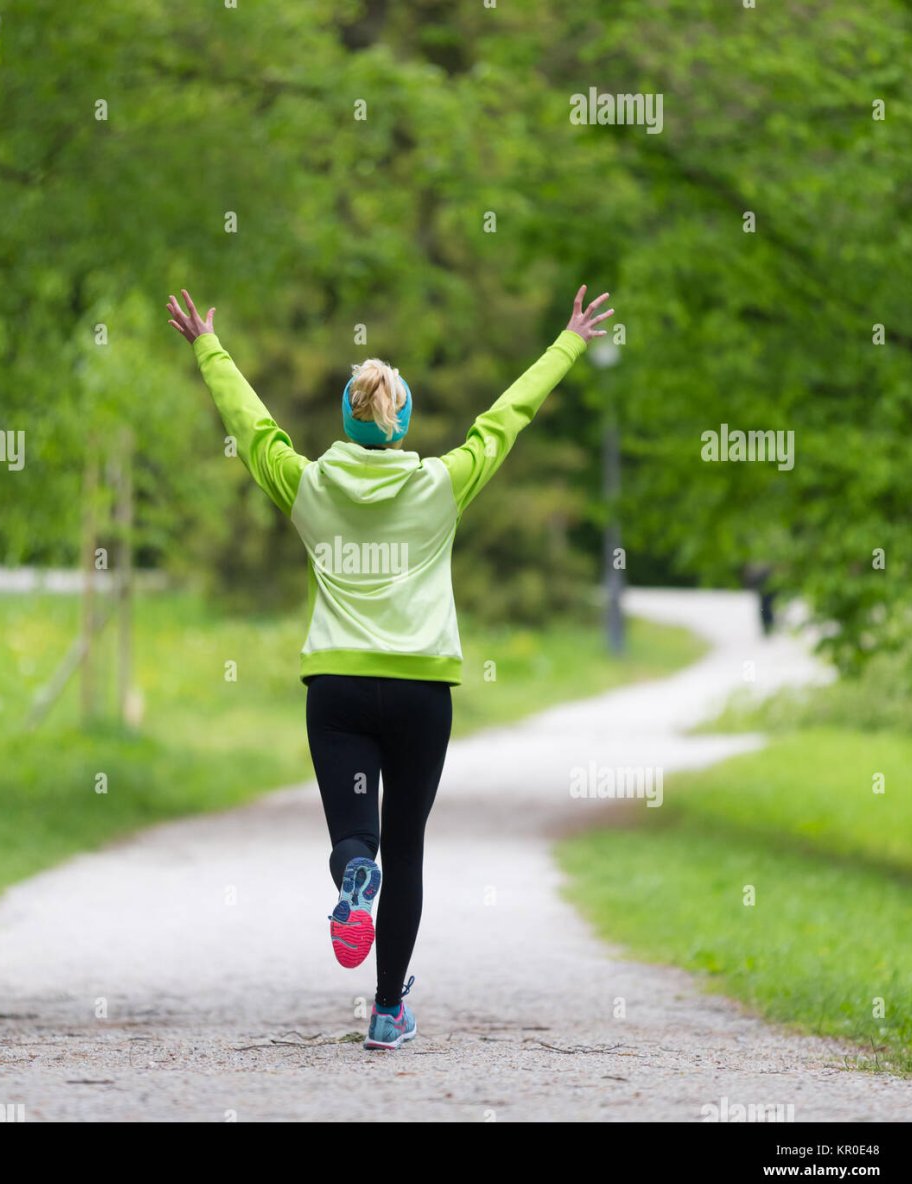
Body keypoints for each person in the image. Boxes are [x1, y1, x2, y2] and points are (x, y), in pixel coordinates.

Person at [166, 285, 612, 1048]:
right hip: (420, 694)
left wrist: (208, 344)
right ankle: (384, 1012)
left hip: (336, 690)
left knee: (356, 839)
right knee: (406, 846)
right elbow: (504, 419)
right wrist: (568, 341)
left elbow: (252, 427)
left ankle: (351, 875)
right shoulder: (440, 484)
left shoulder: (307, 485)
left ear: (345, 418)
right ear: (399, 421)